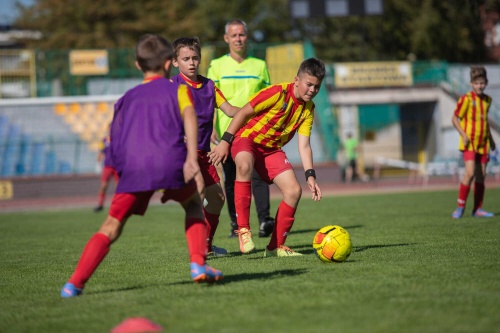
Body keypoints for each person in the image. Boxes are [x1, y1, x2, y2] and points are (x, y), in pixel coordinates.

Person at [60, 34, 223, 298]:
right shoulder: (179, 89)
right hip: (171, 163)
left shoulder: (127, 98)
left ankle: (73, 284)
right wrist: (192, 157)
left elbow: (115, 137)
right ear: (169, 62)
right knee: (193, 203)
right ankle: (197, 263)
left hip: (134, 168)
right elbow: (190, 116)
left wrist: (121, 172)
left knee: (111, 226)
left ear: (138, 64)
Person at [208, 58, 325, 257]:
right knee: (244, 165)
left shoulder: (309, 109)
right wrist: (226, 141)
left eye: (317, 86)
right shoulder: (277, 92)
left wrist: (310, 176)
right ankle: (243, 230)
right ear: (297, 80)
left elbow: (304, 145)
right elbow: (243, 112)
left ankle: (275, 247)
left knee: (294, 191)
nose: (312, 90)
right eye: (309, 84)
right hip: (246, 139)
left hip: (270, 149)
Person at [171, 36, 240, 256]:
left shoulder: (209, 85)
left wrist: (258, 108)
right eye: (185, 59)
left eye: (195, 58)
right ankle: (196, 250)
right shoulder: (172, 86)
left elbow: (229, 110)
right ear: (175, 62)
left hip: (204, 153)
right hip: (182, 153)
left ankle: (206, 247)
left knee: (218, 199)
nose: (191, 63)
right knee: (198, 190)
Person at [207, 19, 275, 239]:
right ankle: (236, 225)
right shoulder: (216, 66)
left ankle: (265, 221)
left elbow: (268, 99)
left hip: (255, 131)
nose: (238, 39)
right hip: (226, 132)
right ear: (226, 39)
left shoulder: (260, 66)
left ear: (247, 36)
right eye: (234, 35)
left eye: (242, 34)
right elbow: (209, 99)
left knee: (258, 176)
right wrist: (211, 126)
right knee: (230, 180)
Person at [451, 65, 496, 219]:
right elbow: (454, 118)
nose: (479, 86)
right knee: (469, 173)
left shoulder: (487, 100)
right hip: (469, 142)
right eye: (476, 83)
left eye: (482, 83)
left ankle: (477, 209)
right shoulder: (466, 99)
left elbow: (485, 122)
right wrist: (463, 134)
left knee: (481, 175)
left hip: (483, 144)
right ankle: (460, 207)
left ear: (486, 83)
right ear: (471, 83)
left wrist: (491, 139)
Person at [93, 128, 119, 212]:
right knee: (104, 185)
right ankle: (100, 204)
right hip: (107, 166)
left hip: (117, 166)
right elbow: (101, 153)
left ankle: (117, 205)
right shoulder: (104, 140)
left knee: (118, 187)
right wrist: (98, 164)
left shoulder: (119, 139)